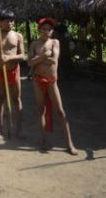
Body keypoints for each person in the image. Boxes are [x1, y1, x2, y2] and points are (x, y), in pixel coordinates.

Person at [28, 17, 78, 154]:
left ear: (52, 31)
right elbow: (29, 63)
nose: (46, 32)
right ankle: (45, 140)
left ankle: (69, 144)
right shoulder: (34, 44)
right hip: (37, 80)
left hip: (51, 80)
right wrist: (44, 56)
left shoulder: (55, 42)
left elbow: (54, 60)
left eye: (49, 29)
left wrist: (38, 59)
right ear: (38, 30)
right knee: (41, 110)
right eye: (43, 29)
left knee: (61, 111)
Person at [0, 10, 25, 137]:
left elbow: (22, 55)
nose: (10, 23)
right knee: (0, 98)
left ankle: (18, 128)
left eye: (11, 21)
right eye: (7, 21)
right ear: (0, 22)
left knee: (16, 99)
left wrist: (9, 58)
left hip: (14, 70)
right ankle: (0, 127)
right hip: (0, 70)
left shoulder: (18, 36)